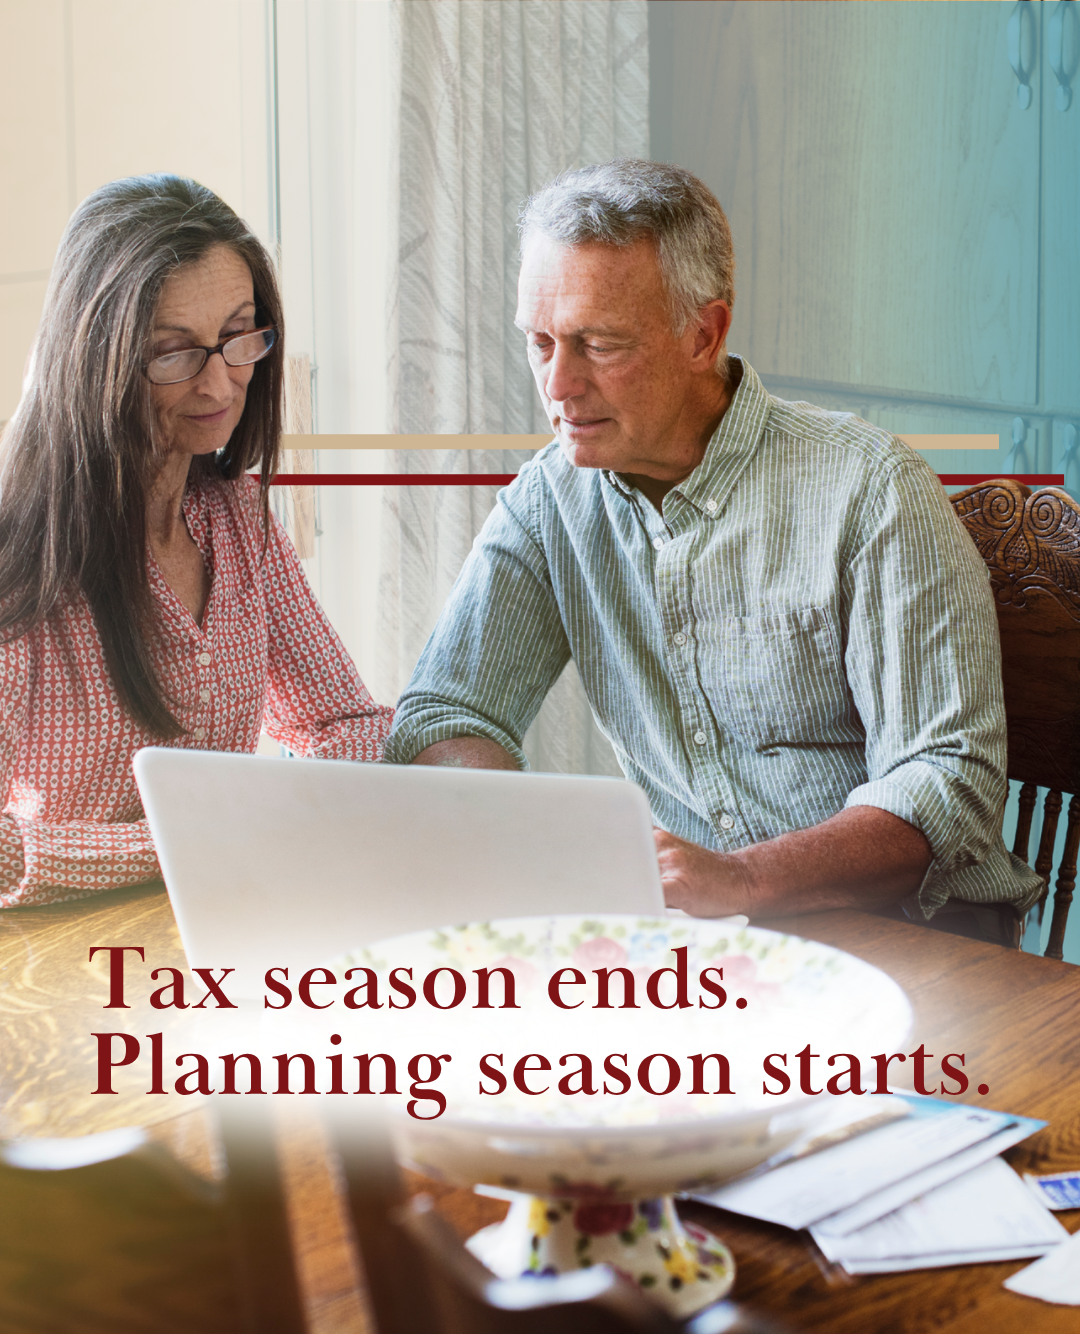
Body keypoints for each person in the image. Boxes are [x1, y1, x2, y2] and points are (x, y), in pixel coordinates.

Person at [383, 159, 1042, 946]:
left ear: (704, 334)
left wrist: (741, 879)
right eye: (540, 342)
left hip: (916, 940)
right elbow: (444, 713)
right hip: (706, 945)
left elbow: (948, 783)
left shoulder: (870, 488)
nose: (558, 384)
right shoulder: (550, 499)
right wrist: (537, 841)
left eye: (599, 344)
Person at [0, 174, 392, 907]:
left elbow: (344, 724)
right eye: (175, 353)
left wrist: (262, 817)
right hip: (60, 961)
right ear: (95, 359)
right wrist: (193, 837)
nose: (220, 384)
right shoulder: (18, 560)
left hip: (224, 916)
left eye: (239, 337)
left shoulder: (237, 521)